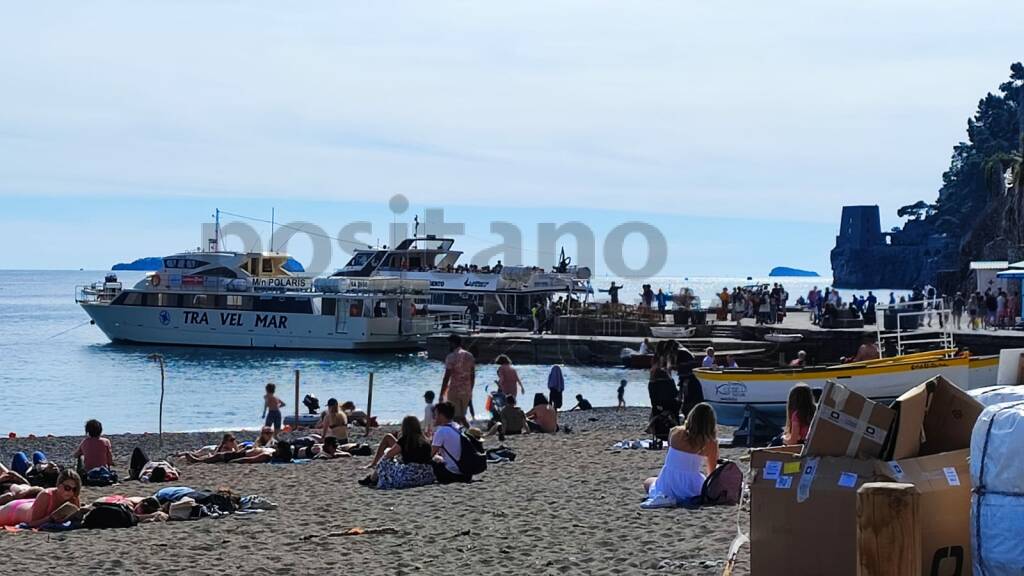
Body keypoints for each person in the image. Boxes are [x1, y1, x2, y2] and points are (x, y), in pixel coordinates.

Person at [641, 403, 720, 508]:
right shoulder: (710, 442)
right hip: (692, 486)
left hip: (668, 481)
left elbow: (671, 457)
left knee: (648, 482)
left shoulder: (675, 432)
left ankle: (667, 497)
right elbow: (711, 472)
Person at [360, 416, 434, 486]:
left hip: (410, 475)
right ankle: (373, 477)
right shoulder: (425, 441)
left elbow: (388, 455)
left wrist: (395, 455)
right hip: (426, 476)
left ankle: (372, 478)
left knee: (385, 459)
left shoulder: (406, 440)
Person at [0, 470, 81, 528]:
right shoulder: (47, 495)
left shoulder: (73, 498)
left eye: (74, 489)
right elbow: (31, 523)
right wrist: (50, 518)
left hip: (31, 503)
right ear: (59, 485)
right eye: (67, 488)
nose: (70, 492)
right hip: (14, 511)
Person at [439, 334, 475, 427]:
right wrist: (471, 390)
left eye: (450, 343)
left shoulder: (451, 357)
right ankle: (469, 433)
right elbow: (473, 375)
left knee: (455, 417)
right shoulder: (470, 355)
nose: (449, 345)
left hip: (454, 390)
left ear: (453, 343)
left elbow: (447, 377)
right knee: (462, 416)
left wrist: (441, 393)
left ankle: (459, 435)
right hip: (466, 390)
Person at [431, 402, 468, 484]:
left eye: (435, 415)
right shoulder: (458, 427)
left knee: (433, 460)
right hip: (466, 473)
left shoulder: (441, 431)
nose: (434, 417)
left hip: (451, 474)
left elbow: (430, 454)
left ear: (441, 416)